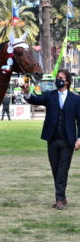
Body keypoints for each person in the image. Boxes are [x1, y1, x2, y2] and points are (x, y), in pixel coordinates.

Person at [22, 69, 80, 210]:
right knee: (55, 169)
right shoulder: (50, 96)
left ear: (67, 81)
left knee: (62, 170)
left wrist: (79, 138)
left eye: (60, 78)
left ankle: (59, 200)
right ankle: (62, 197)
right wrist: (26, 92)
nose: (57, 80)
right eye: (57, 77)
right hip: (52, 139)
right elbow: (33, 99)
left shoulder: (76, 99)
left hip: (68, 140)